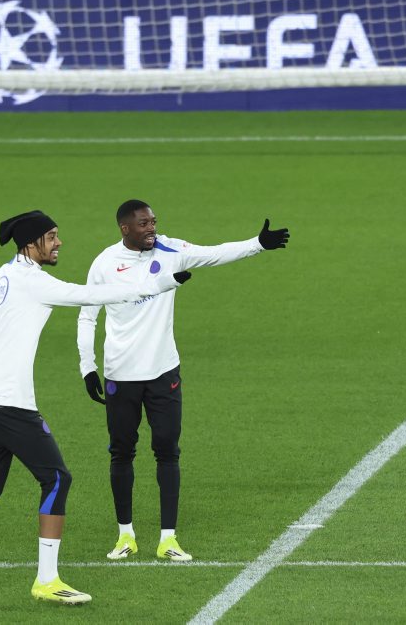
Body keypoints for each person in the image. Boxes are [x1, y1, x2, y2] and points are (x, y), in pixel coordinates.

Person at [0, 210, 191, 605]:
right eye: (51, 237)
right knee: (57, 479)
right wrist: (162, 282)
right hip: (8, 401)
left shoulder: (0, 276)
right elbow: (91, 295)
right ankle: (46, 580)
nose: (58, 243)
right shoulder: (34, 282)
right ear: (31, 244)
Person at [76, 199, 290, 562]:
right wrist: (87, 367)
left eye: (153, 222)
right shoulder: (104, 263)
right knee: (121, 453)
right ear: (125, 228)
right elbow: (87, 316)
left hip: (163, 372)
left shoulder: (171, 250)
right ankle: (125, 535)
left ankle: (168, 539)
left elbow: (214, 253)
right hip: (120, 374)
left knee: (167, 450)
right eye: (143, 224)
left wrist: (257, 244)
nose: (152, 228)